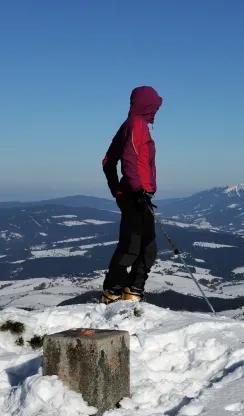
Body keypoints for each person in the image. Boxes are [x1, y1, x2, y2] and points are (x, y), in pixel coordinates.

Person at [100, 86, 163, 303]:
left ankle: (130, 292)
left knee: (146, 247)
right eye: (154, 106)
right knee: (133, 247)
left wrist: (117, 188)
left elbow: (108, 161)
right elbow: (128, 158)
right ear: (146, 104)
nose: (156, 110)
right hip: (136, 196)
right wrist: (135, 190)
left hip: (137, 195)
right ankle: (114, 292)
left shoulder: (132, 124)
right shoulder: (137, 125)